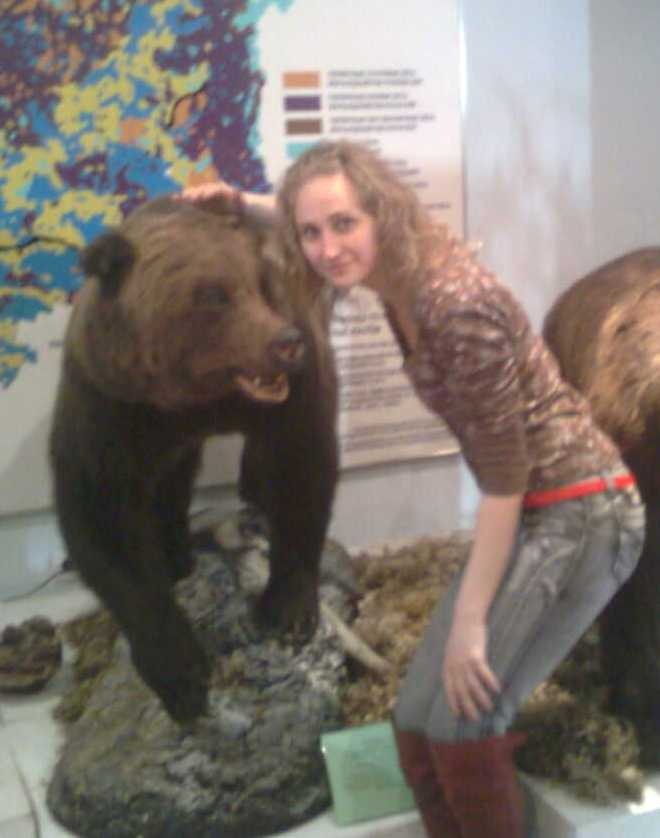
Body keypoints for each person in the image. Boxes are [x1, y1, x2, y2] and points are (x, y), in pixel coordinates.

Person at [180, 140, 645, 837]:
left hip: (579, 513)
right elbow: (322, 222)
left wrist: (470, 624)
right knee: (414, 724)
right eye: (311, 232)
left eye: (344, 224)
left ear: (383, 214)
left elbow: (505, 476)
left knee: (463, 723)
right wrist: (243, 205)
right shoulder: (399, 268)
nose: (327, 249)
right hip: (532, 513)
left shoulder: (453, 306)